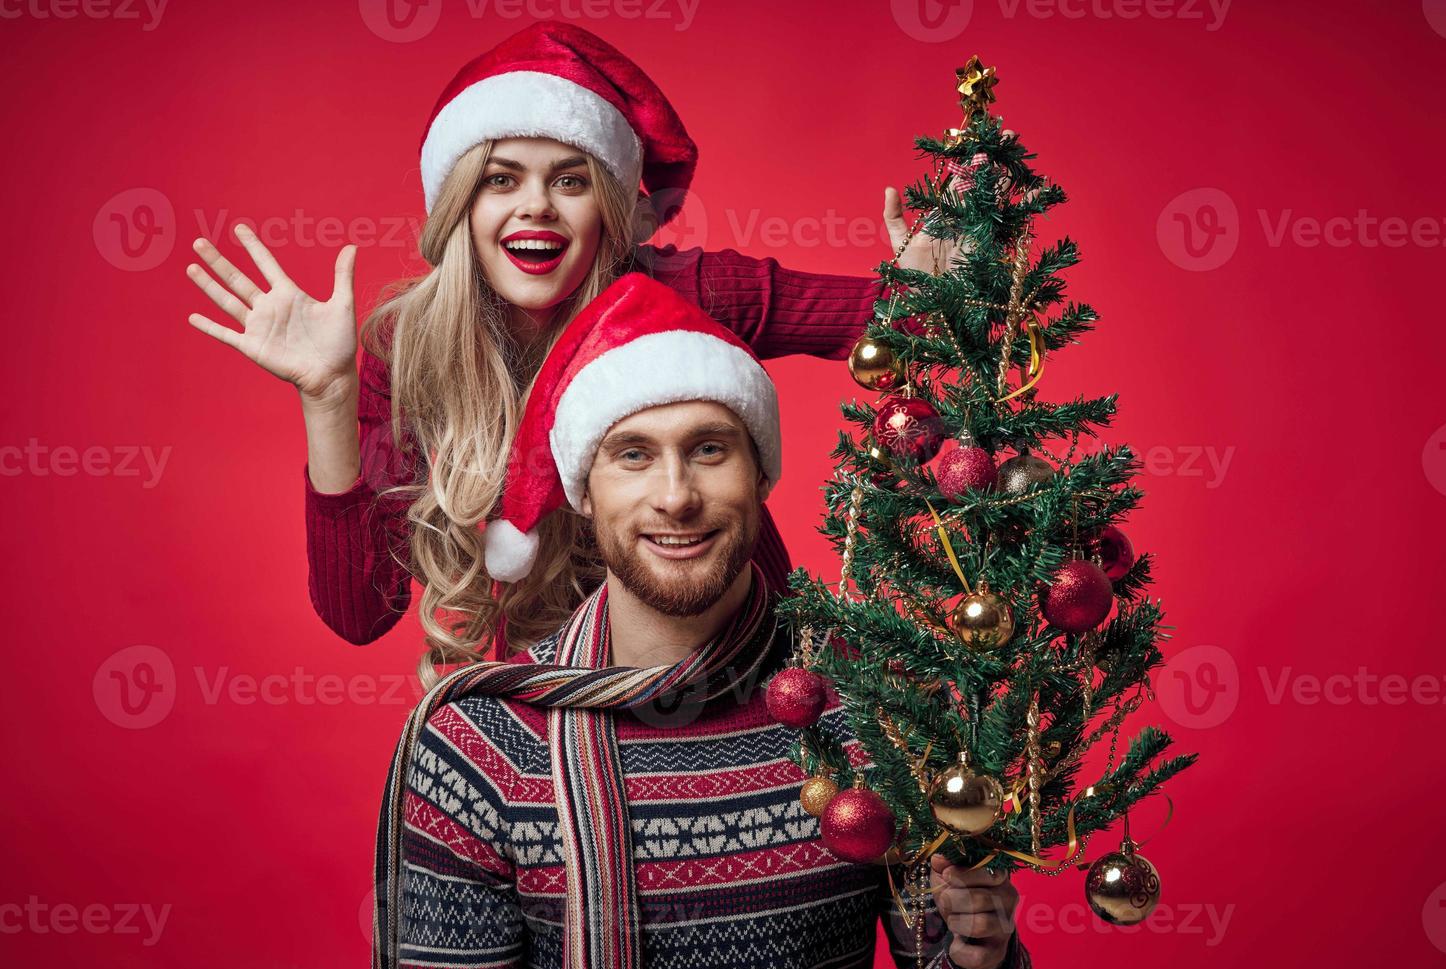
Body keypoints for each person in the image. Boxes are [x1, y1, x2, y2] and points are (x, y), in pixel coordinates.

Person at [183, 21, 959, 684]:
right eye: (500, 178)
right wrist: (327, 397)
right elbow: (358, 614)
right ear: (461, 205)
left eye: (569, 179)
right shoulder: (408, 350)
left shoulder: (687, 290)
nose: (535, 206)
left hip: (756, 672)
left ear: (609, 208)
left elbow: (905, 323)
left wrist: (933, 291)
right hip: (567, 706)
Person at [374, 273, 1030, 969]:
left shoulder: (879, 713)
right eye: (633, 455)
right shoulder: (480, 746)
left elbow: (949, 964)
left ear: (761, 475)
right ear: (584, 493)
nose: (676, 496)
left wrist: (979, 958)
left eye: (710, 450)